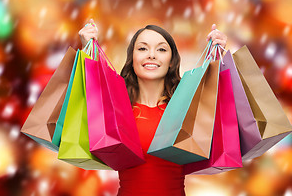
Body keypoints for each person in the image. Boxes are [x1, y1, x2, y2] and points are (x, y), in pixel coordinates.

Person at [78, 19, 227, 195]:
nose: (151, 55)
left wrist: (219, 63)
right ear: (132, 59)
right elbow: (90, 97)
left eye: (161, 49)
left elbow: (221, 127)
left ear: (172, 61)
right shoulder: (117, 107)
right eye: (142, 48)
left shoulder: (187, 108)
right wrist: (88, 47)